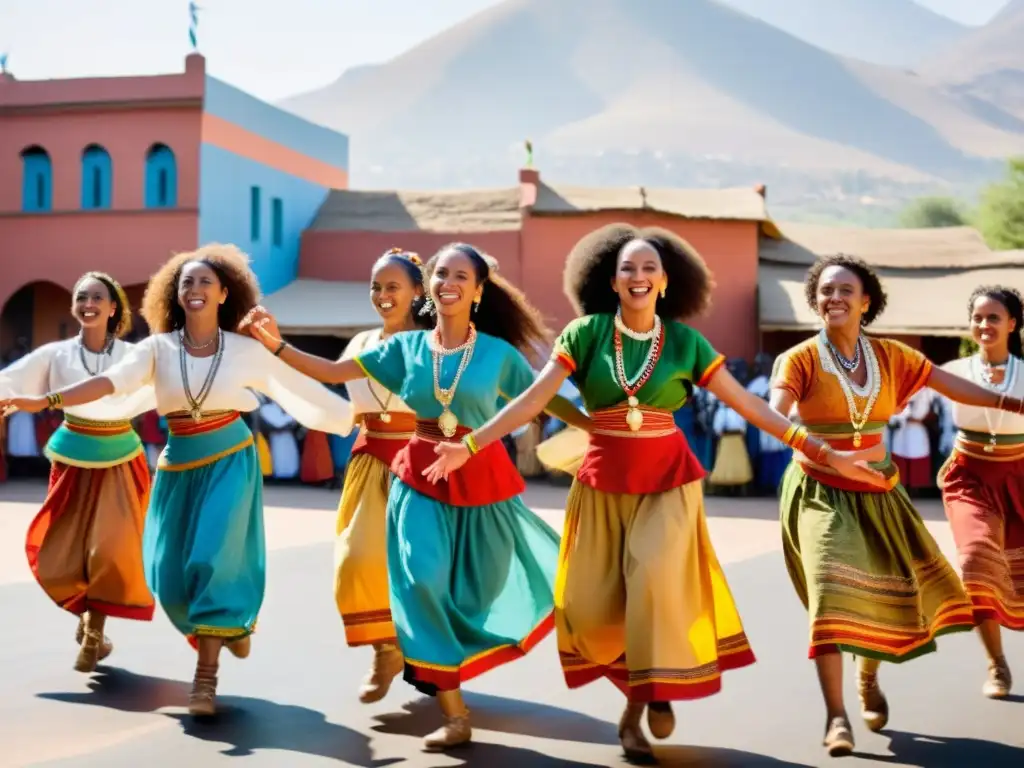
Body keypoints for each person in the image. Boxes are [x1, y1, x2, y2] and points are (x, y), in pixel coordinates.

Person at [424, 225, 884, 762]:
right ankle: (647, 681)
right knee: (592, 610)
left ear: (666, 282)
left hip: (668, 482)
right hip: (600, 482)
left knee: (651, 581)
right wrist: (472, 444)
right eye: (627, 269)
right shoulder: (585, 334)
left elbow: (750, 406)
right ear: (611, 281)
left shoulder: (686, 343)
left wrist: (822, 451)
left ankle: (638, 709)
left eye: (649, 269)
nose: (638, 277)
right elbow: (532, 401)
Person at [240, 242, 589, 751]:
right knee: (421, 582)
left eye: (460, 275)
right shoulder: (405, 349)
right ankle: (453, 710)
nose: (448, 282)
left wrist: (598, 425)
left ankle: (442, 654)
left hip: (483, 479)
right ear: (429, 287)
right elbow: (336, 374)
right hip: (418, 477)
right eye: (440, 273)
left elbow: (542, 397)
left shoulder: (499, 354)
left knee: (477, 590)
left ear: (478, 289)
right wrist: (276, 346)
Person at [0, 245, 354, 717]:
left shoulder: (247, 350)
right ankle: (227, 627)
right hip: (176, 465)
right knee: (166, 574)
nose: (195, 289)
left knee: (212, 556)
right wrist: (44, 401)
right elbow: (111, 385)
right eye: (186, 282)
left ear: (225, 293)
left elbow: (300, 388)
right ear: (174, 294)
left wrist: (354, 416)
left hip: (229, 459)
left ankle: (204, 679)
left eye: (206, 282)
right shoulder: (156, 348)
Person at [770, 255, 1024, 757]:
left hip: (879, 491)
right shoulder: (798, 358)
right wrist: (823, 452)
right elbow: (772, 415)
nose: (834, 298)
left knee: (880, 593)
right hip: (819, 489)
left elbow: (950, 385)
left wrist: (1014, 405)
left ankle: (868, 674)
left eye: (846, 290)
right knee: (828, 595)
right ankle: (836, 716)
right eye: (825, 290)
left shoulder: (892, 357)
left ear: (867, 302)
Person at [0, 272, 156, 672]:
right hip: (72, 457)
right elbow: (10, 380)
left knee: (108, 547)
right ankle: (91, 623)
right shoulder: (57, 354)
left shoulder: (133, 355)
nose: (88, 303)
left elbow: (167, 382)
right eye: (81, 297)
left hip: (120, 456)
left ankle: (91, 634)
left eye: (97, 297)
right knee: (63, 550)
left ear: (113, 307)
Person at [333, 247, 431, 704]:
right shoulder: (359, 344)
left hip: (423, 464)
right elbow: (351, 406)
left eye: (393, 286)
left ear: (417, 291)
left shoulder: (437, 344)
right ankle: (385, 649)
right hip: (370, 463)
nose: (383, 294)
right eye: (376, 286)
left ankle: (432, 659)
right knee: (358, 563)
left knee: (425, 571)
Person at [938, 286, 1024, 699]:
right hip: (967, 477)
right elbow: (893, 392)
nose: (984, 325)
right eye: (978, 317)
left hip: (1019, 474)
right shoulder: (951, 370)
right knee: (975, 561)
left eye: (994, 317)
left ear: (1012, 324)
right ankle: (997, 663)